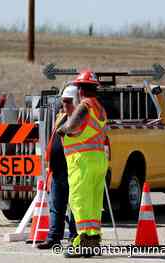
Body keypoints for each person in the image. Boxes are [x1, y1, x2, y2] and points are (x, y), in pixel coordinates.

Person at [57, 70, 109, 257]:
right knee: (94, 204)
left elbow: (71, 126)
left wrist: (62, 130)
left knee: (79, 202)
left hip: (82, 162)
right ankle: (93, 241)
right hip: (99, 161)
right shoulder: (100, 109)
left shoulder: (85, 106)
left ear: (80, 90)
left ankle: (82, 242)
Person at [37, 85, 78, 249]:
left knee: (75, 206)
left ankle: (74, 238)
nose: (64, 104)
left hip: (73, 169)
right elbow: (54, 138)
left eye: (68, 101)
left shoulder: (80, 121)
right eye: (63, 101)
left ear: (76, 102)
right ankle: (53, 237)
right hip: (57, 169)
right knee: (56, 206)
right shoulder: (61, 117)